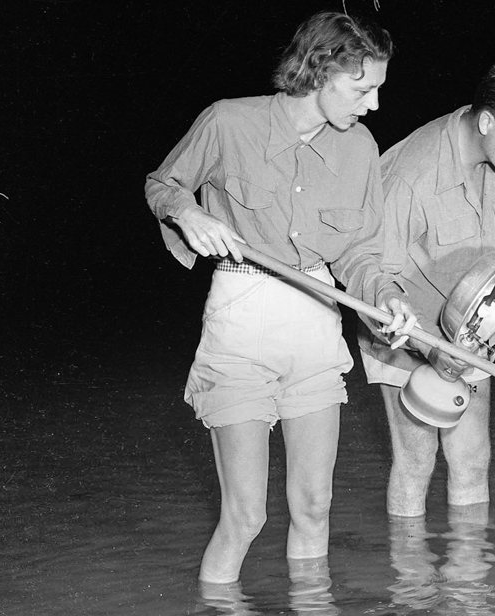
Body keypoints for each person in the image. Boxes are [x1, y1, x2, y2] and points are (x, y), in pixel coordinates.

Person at [144, 11, 416, 584]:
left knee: (314, 508)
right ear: (321, 69)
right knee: (245, 516)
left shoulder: (361, 148)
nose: (372, 105)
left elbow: (361, 253)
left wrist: (387, 297)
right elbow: (163, 183)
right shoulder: (227, 122)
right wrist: (188, 210)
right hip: (242, 319)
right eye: (363, 88)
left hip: (317, 322)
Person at [359, 59, 495, 518]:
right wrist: (428, 347)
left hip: (472, 333)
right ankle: (413, 587)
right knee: (417, 462)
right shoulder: (410, 176)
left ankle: (468, 588)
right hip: (404, 335)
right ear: (485, 122)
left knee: (473, 461)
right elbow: (372, 280)